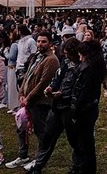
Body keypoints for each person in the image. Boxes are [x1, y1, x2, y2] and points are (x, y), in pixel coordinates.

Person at [25, 38, 81, 174]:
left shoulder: (82, 66)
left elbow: (78, 88)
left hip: (70, 109)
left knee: (75, 140)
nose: (66, 56)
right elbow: (57, 78)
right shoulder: (65, 63)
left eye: (68, 53)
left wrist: (61, 94)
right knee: (47, 138)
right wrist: (51, 88)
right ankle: (38, 166)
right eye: (65, 53)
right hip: (57, 107)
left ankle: (77, 167)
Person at [6, 32, 60, 169]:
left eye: (44, 42)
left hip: (40, 102)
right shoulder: (37, 56)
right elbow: (27, 76)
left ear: (50, 44)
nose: (40, 44)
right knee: (21, 128)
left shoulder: (51, 60)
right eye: (39, 41)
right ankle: (23, 156)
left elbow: (43, 82)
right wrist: (22, 94)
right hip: (27, 100)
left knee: (40, 131)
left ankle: (39, 160)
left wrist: (28, 98)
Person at [69, 40, 104, 173]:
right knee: (87, 142)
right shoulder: (96, 65)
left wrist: (75, 111)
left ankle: (85, 169)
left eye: (81, 54)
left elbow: (83, 92)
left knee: (85, 144)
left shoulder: (87, 68)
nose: (79, 57)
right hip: (90, 108)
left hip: (85, 110)